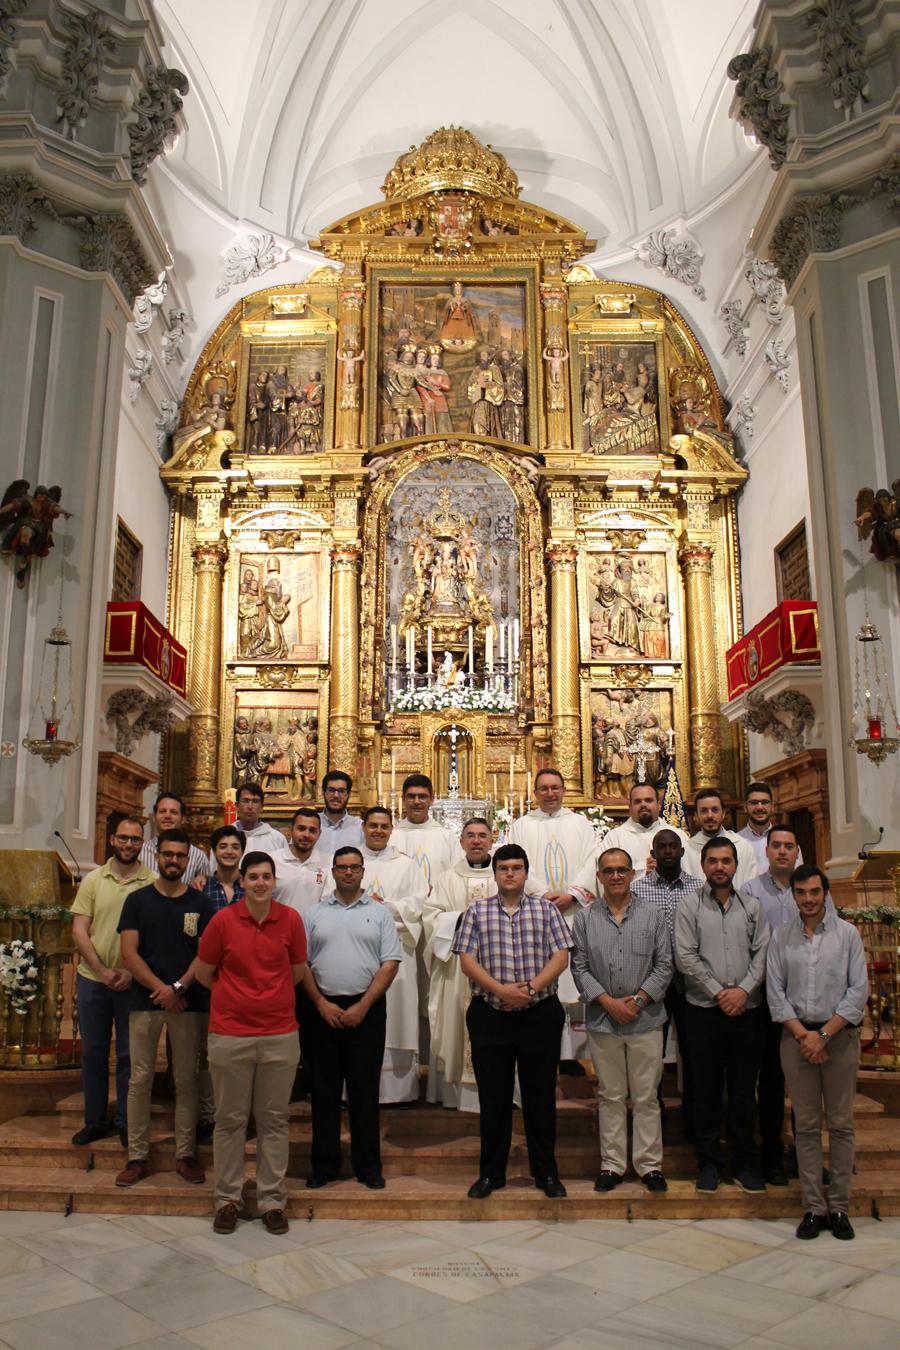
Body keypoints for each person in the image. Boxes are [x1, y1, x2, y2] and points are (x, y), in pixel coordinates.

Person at [193, 851, 308, 1236]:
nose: (260, 883)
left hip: (278, 1033)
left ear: (275, 881)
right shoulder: (223, 921)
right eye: (253, 877)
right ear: (241, 881)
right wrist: (238, 999)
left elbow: (296, 972)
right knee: (230, 1121)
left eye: (266, 877)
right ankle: (227, 1199)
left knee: (274, 1120)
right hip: (230, 1034)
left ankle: (272, 1200)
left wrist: (265, 999)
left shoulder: (290, 920)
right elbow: (206, 973)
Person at [453, 843, 573, 1199]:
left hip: (539, 1013)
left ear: (526, 872)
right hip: (490, 1013)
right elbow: (467, 959)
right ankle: (491, 1174)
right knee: (494, 1099)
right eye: (503, 868)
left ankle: (545, 1173)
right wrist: (501, 991)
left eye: (516, 868)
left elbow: (561, 954)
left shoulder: (545, 911)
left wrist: (532, 988)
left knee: (539, 1097)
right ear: (495, 874)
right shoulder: (477, 911)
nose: (509, 873)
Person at [767, 866, 868, 1241]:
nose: (808, 899)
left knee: (840, 1126)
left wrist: (823, 1036)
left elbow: (858, 991)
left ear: (825, 893)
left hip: (838, 1038)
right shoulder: (782, 936)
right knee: (806, 1127)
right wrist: (804, 1036)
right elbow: (775, 993)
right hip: (796, 1039)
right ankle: (813, 1207)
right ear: (792, 896)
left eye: (814, 892)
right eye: (801, 893)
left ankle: (839, 1206)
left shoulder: (848, 935)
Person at [424, 817, 548, 1111]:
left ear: (492, 840)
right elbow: (430, 917)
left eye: (483, 835)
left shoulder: (509, 871)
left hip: (508, 969)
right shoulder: (447, 878)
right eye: (471, 836)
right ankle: (459, 1096)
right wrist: (465, 918)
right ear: (462, 841)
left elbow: (540, 903)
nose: (477, 841)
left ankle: (509, 1095)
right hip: (459, 971)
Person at [116, 829, 215, 1188]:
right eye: (168, 855)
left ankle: (184, 1153)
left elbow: (206, 955)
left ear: (188, 861)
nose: (174, 861)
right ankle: (137, 1155)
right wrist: (161, 989)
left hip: (188, 1002)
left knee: (187, 1079)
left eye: (180, 856)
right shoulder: (138, 900)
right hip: (145, 1001)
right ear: (157, 856)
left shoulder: (201, 904)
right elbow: (129, 953)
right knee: (140, 1079)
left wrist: (178, 987)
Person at [571, 848, 672, 1193]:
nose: (615, 876)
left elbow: (665, 965)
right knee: (611, 1096)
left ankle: (649, 1166)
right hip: (604, 1020)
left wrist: (639, 1000)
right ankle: (612, 1165)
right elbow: (579, 967)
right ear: (599, 876)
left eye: (622, 870)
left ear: (632, 875)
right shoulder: (584, 919)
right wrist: (607, 1002)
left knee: (645, 1097)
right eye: (609, 871)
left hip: (646, 1019)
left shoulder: (654, 915)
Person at [302, 846, 402, 1189]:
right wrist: (320, 1003)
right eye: (341, 867)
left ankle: (368, 1165)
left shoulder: (380, 913)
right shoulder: (314, 914)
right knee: (324, 1092)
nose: (348, 873)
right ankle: (324, 1165)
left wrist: (363, 1006)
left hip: (367, 1010)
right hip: (322, 1011)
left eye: (354, 867)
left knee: (364, 1092)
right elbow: (301, 964)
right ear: (333, 871)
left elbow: (390, 962)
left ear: (363, 872)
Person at [674, 836, 769, 1194]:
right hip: (704, 1011)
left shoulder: (753, 907)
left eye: (725, 861)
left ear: (734, 865)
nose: (719, 867)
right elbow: (686, 957)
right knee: (707, 1093)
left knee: (745, 1093)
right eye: (712, 861)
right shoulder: (689, 907)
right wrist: (719, 993)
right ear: (703, 866)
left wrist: (743, 990)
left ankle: (745, 1162)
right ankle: (709, 1162)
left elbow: (763, 954)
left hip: (747, 1011)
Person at [70, 817, 156, 1148]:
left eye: (135, 840)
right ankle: (94, 1120)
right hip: (94, 979)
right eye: (123, 838)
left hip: (134, 983)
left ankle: (125, 1120)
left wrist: (133, 972)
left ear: (142, 843)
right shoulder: (93, 879)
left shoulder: (152, 882)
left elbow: (153, 936)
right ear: (111, 839)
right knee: (93, 1051)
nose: (129, 844)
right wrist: (103, 970)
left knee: (129, 1055)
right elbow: (80, 929)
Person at [508, 768, 596, 1069]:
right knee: (541, 979)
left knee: (573, 984)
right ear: (535, 792)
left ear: (563, 790)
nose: (550, 793)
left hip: (574, 913)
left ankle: (571, 1056)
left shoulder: (580, 825)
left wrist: (572, 894)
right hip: (537, 915)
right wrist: (543, 893)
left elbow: (592, 861)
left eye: (555, 787)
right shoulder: (521, 826)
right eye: (543, 788)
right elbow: (515, 863)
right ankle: (542, 1049)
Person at [344, 805, 429, 1103]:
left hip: (396, 954)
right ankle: (355, 1088)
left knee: (397, 1017)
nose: (378, 831)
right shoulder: (348, 862)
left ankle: (398, 1092)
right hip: (354, 952)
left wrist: (385, 908)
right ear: (363, 828)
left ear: (392, 830)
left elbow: (419, 905)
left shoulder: (406, 865)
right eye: (373, 826)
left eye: (384, 826)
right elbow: (331, 900)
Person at [632, 829, 703, 1139]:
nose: (668, 851)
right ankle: (652, 1117)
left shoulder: (699, 888)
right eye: (662, 847)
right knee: (651, 1056)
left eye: (673, 846)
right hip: (653, 986)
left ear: (682, 851)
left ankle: (694, 1117)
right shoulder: (638, 889)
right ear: (654, 852)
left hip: (692, 985)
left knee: (694, 1053)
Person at [744, 825, 802, 1183]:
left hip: (804, 998)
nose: (782, 852)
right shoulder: (750, 891)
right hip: (765, 997)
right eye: (776, 846)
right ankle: (772, 1153)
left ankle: (805, 1154)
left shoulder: (812, 889)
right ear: (765, 851)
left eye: (788, 846)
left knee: (806, 1086)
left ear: (797, 852)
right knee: (770, 1080)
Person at [569, 783, 690, 894]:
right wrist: (643, 870)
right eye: (638, 801)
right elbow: (603, 875)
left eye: (648, 800)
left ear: (658, 805)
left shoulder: (678, 835)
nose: (643, 805)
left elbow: (690, 873)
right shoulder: (615, 837)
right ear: (630, 807)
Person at [390, 773, 461, 888]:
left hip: (437, 904)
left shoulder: (447, 838)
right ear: (403, 799)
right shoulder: (391, 837)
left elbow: (457, 877)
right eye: (411, 796)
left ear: (431, 799)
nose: (416, 802)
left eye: (422, 797)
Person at [683, 788, 758, 890]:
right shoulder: (687, 850)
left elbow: (752, 887)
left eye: (715, 810)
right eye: (704, 811)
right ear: (696, 816)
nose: (710, 816)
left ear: (723, 813)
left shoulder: (742, 846)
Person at [139, 792, 210, 885]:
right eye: (162, 811)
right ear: (154, 817)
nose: (167, 816)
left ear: (183, 819)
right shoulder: (140, 852)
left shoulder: (198, 857)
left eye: (173, 812)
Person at [273, 806, 329, 919]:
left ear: (319, 834)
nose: (306, 835)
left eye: (312, 830)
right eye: (301, 828)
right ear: (290, 830)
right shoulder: (272, 861)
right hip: (280, 933)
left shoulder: (329, 862)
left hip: (314, 934)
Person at [738, 782, 804, 873]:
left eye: (765, 802)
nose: (760, 807)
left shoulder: (788, 841)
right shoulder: (735, 841)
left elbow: (798, 875)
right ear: (745, 807)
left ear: (772, 807)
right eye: (754, 803)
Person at [230, 781, 290, 857]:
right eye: (245, 801)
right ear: (237, 805)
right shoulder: (225, 837)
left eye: (255, 801)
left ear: (262, 807)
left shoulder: (277, 839)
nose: (250, 806)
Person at [318, 770, 364, 858]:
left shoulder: (360, 828)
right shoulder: (311, 825)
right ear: (323, 792)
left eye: (341, 791)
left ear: (349, 794)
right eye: (331, 790)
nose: (336, 795)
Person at [202, 826, 247, 911]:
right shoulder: (202, 889)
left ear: (242, 852)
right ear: (215, 852)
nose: (229, 852)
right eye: (223, 847)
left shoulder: (250, 888)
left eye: (235, 847)